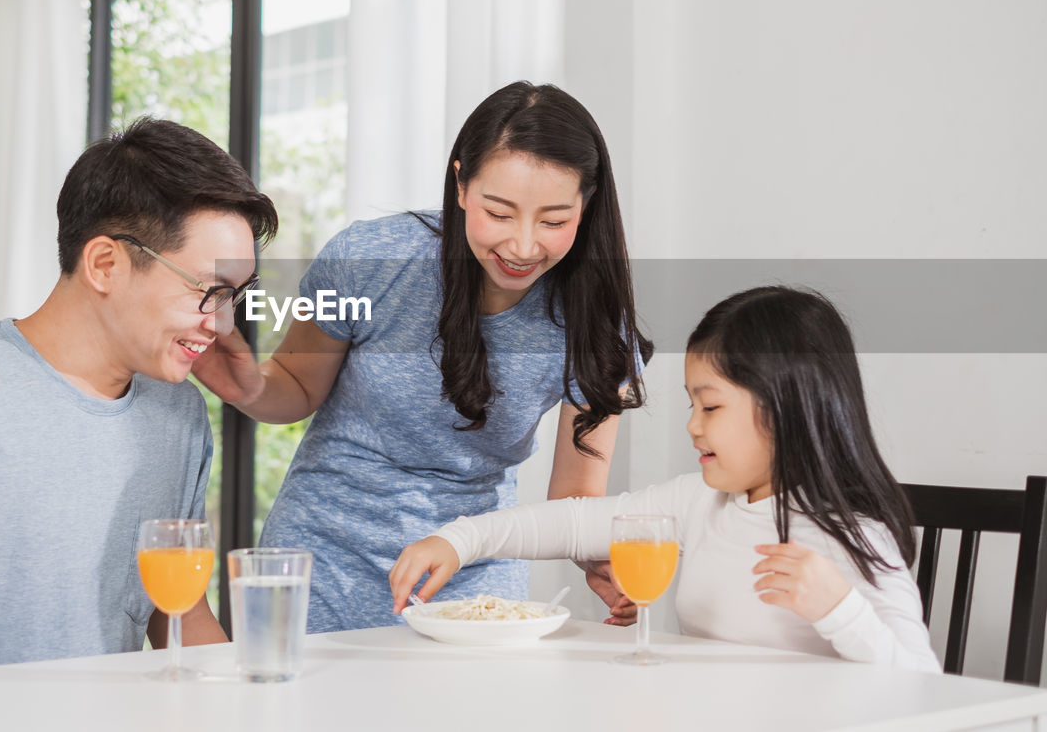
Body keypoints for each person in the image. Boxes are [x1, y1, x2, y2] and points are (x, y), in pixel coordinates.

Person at [192, 82, 651, 632]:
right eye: (499, 213)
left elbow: (576, 496)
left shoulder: (596, 321)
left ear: (587, 205)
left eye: (554, 221)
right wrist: (248, 386)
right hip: (324, 556)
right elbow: (296, 383)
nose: (524, 246)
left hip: (474, 567)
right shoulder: (369, 259)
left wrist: (595, 553)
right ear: (460, 184)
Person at [0, 118, 278, 677]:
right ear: (105, 264)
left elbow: (180, 616)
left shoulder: (178, 413)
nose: (223, 322)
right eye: (207, 291)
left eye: (235, 296)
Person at [390, 286, 941, 671]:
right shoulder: (703, 499)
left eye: (711, 407)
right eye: (690, 405)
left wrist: (838, 608)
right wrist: (459, 540)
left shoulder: (853, 534)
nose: (692, 427)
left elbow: (921, 681)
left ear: (786, 408)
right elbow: (573, 522)